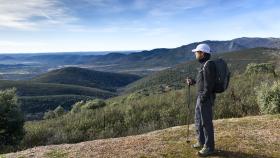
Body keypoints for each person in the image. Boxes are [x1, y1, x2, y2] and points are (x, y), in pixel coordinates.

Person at [186, 43, 216, 157]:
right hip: (202, 97)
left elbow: (209, 85)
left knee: (206, 123)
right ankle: (201, 142)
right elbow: (203, 82)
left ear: (202, 53)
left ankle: (209, 147)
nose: (195, 54)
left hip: (205, 98)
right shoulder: (205, 64)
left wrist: (203, 97)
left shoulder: (208, 65)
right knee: (198, 121)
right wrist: (193, 81)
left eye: (196, 52)